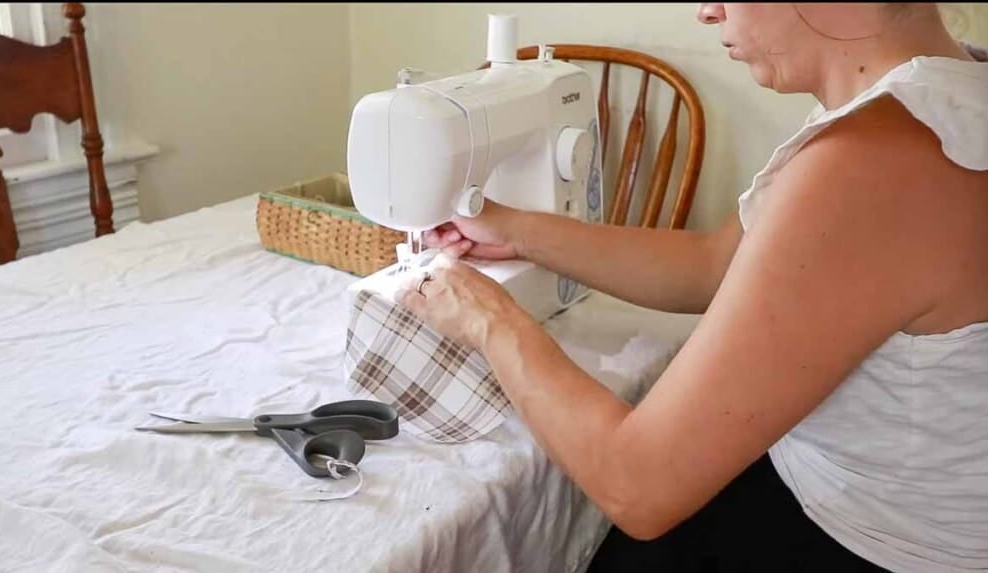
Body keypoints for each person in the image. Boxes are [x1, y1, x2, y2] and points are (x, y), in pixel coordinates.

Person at [395, 3, 988, 572]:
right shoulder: (935, 96)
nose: (707, 12)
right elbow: (715, 266)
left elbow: (637, 486)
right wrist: (519, 231)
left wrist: (489, 321)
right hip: (855, 500)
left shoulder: (875, 159)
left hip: (870, 543)